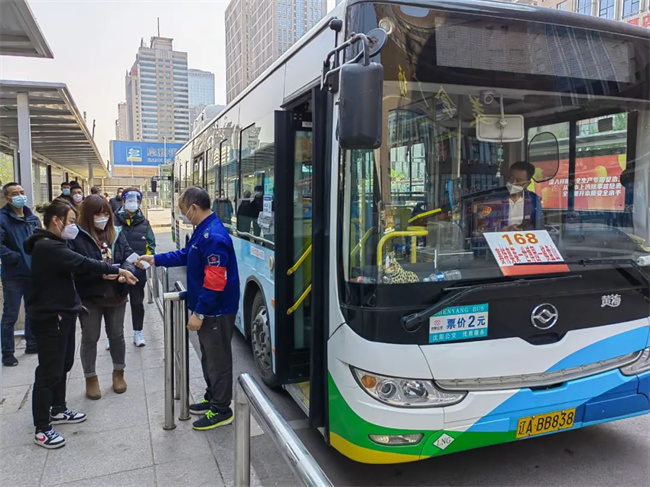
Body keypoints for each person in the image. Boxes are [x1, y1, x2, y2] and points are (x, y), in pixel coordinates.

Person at [24, 199, 137, 448]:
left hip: (65, 312)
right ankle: (42, 428)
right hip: (51, 316)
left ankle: (58, 408)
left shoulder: (57, 242)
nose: (73, 226)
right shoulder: (48, 247)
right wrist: (117, 270)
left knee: (63, 364)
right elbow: (84, 263)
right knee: (49, 371)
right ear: (57, 221)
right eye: (71, 221)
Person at [138, 186, 240, 431]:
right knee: (209, 357)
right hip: (208, 308)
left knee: (218, 361)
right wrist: (156, 259)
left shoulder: (213, 236)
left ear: (194, 207)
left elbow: (215, 281)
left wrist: (199, 313)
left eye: (183, 210)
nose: (183, 214)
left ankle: (222, 409)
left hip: (216, 310)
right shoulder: (202, 230)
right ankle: (212, 397)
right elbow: (186, 255)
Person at [69, 195, 137, 399]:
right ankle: (91, 377)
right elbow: (75, 267)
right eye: (97, 214)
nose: (102, 218)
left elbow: (129, 256)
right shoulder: (76, 236)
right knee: (90, 337)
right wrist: (99, 274)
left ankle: (119, 372)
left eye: (105, 213)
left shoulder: (116, 233)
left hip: (116, 294)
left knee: (117, 335)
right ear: (88, 215)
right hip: (90, 296)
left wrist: (126, 271)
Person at [0, 183, 41, 366]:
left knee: (32, 309)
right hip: (14, 274)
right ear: (7, 198)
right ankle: (7, 351)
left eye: (21, 192)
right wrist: (15, 258)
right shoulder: (2, 218)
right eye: (15, 193)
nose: (20, 196)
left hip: (33, 272)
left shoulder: (32, 217)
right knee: (11, 313)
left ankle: (31, 343)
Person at [114, 188, 156, 347]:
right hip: (118, 271)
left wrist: (145, 262)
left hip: (138, 270)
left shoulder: (144, 222)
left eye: (136, 200)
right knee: (116, 304)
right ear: (123, 201)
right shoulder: (114, 221)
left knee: (137, 303)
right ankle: (113, 335)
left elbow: (151, 244)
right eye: (129, 199)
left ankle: (138, 332)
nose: (132, 203)